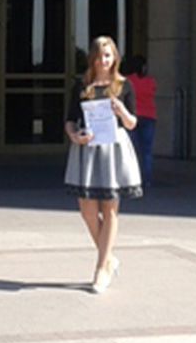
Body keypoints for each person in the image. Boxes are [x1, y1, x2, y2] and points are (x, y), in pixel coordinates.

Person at [64, 36, 143, 294]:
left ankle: (101, 269)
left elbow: (132, 123)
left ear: (114, 58)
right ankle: (108, 258)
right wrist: (74, 135)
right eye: (99, 56)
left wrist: (121, 111)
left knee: (109, 208)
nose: (103, 60)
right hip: (88, 148)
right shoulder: (82, 86)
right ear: (93, 58)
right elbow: (70, 119)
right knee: (87, 210)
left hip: (113, 149)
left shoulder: (123, 85)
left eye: (107, 55)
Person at [124, 55, 157, 186]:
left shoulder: (127, 81)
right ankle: (147, 179)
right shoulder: (151, 81)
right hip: (149, 116)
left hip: (132, 116)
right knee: (146, 151)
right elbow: (153, 92)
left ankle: (132, 178)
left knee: (131, 150)